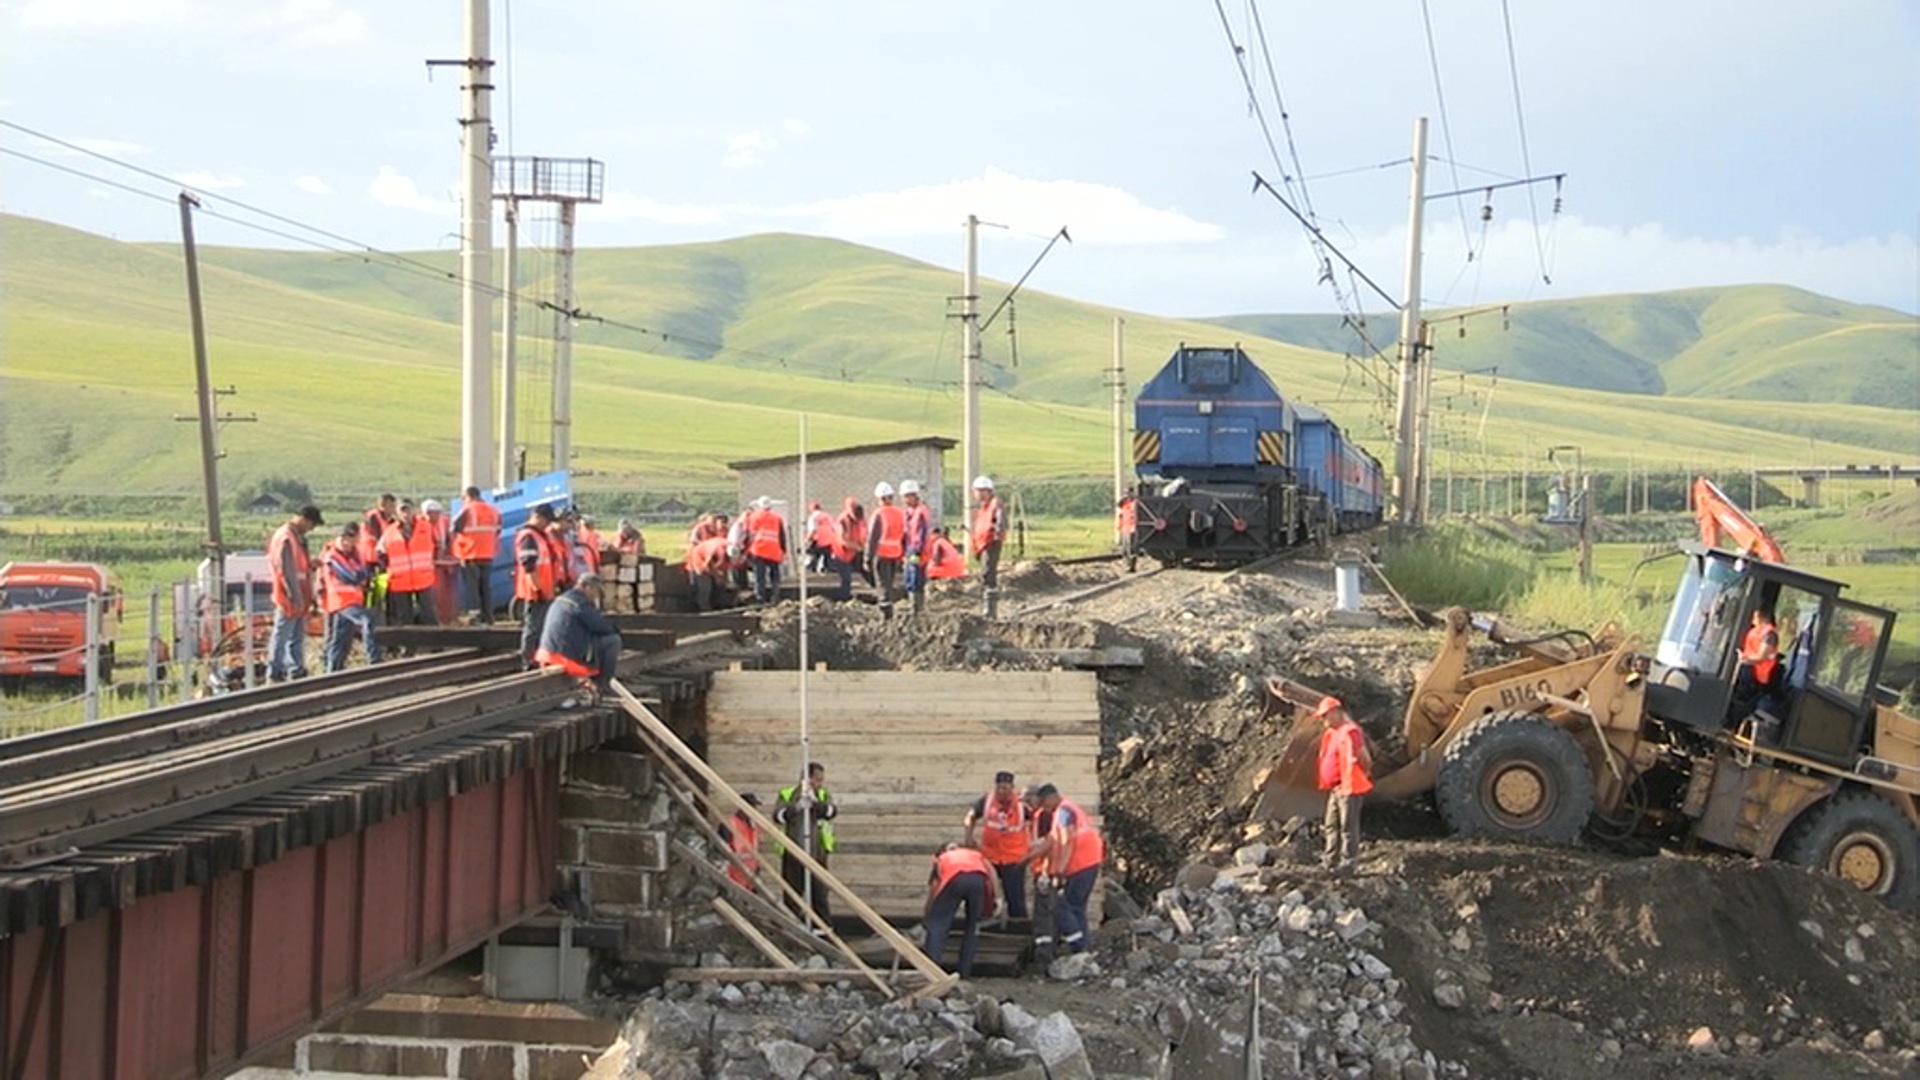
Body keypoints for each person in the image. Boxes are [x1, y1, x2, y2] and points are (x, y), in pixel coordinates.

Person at [1036, 784, 1104, 955]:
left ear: (1051, 798)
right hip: (1089, 862)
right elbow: (1054, 840)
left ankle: (1079, 946)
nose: (1044, 808)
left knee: (1065, 907)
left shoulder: (1064, 812)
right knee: (1077, 907)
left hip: (1081, 864)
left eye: (1043, 803)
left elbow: (1067, 841)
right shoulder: (1067, 809)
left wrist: (1059, 870)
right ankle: (1084, 949)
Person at [535, 572, 623, 698]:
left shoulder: (561, 599)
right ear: (588, 587)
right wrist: (614, 628)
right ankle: (603, 685)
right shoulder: (580, 603)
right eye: (596, 592)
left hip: (546, 653)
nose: (596, 597)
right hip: (565, 657)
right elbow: (601, 627)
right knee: (613, 641)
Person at [774, 762, 837, 926]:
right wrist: (796, 808)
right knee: (792, 897)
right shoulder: (787, 794)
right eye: (817, 780)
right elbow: (778, 817)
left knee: (820, 897)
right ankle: (793, 931)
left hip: (817, 855)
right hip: (793, 855)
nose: (820, 783)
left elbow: (831, 812)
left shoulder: (823, 794)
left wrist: (816, 804)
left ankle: (824, 934)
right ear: (806, 779)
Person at [1315, 696, 1373, 872]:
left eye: (1325, 716)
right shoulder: (1331, 734)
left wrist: (1361, 774)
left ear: (1335, 712)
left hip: (1349, 787)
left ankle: (1349, 863)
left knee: (1348, 826)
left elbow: (1364, 758)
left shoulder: (1351, 731)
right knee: (1331, 825)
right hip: (1335, 788)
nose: (1323, 720)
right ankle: (1330, 859)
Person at [267, 504, 324, 681]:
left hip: (299, 594)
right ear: (304, 519)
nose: (311, 529)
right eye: (311, 525)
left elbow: (297, 566)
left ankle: (296, 668)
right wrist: (295, 595)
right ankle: (276, 671)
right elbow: (286, 569)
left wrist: (309, 565)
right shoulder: (286, 537)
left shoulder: (295, 537)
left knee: (295, 636)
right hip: (289, 595)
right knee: (283, 635)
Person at [962, 770, 1030, 920]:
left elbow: (1038, 821)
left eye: (1005, 788)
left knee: (1015, 898)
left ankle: (1019, 929)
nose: (1001, 792)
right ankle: (980, 926)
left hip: (1014, 859)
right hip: (990, 857)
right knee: (985, 895)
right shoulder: (987, 801)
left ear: (1012, 787)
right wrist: (968, 838)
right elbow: (970, 816)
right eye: (999, 787)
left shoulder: (1021, 805)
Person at [923, 843, 997, 978]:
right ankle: (964, 972)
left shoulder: (941, 858)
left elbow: (935, 887)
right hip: (978, 879)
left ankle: (932, 971)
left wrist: (929, 912)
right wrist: (994, 898)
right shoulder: (975, 854)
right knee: (973, 927)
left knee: (938, 926)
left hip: (954, 878)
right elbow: (991, 873)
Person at [319, 522, 380, 672]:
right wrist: (361, 575)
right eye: (344, 539)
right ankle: (374, 659)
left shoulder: (355, 555)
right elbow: (352, 576)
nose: (347, 543)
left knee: (341, 641)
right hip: (341, 602)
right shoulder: (332, 556)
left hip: (353, 601)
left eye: (351, 539)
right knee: (368, 620)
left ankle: (333, 671)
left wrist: (362, 575)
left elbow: (364, 574)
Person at [514, 504, 564, 666]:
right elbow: (529, 567)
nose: (548, 524)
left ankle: (538, 658)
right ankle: (528, 661)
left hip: (544, 589)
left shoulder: (539, 536)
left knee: (541, 627)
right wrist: (538, 589)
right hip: (535, 591)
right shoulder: (529, 536)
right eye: (547, 520)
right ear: (538, 517)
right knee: (533, 628)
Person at [378, 500, 438, 628]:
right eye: (402, 511)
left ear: (414, 511)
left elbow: (438, 545)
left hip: (423, 577)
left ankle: (435, 644)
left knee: (428, 613)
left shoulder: (426, 527)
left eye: (408, 510)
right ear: (397, 513)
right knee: (404, 616)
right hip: (400, 580)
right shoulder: (389, 532)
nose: (406, 514)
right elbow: (380, 552)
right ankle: (409, 646)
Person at [451, 486, 502, 624]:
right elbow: (498, 530)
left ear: (469, 496)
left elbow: (453, 527)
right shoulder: (494, 511)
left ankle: (474, 616)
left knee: (472, 588)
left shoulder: (467, 509)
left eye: (464, 498)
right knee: (485, 587)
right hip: (488, 554)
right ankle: (488, 617)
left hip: (470, 554)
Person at [1023, 786, 1060, 963]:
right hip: (1043, 870)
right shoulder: (1038, 817)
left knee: (1043, 913)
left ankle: (1045, 954)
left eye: (1029, 799)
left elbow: (1049, 845)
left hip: (1045, 871)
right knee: (1046, 911)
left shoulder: (1043, 816)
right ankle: (1047, 950)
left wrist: (1045, 871)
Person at [867, 482, 906, 619]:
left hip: (882, 553)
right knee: (889, 583)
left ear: (880, 499)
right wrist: (903, 555)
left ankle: (886, 615)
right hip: (895, 553)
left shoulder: (879, 514)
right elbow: (904, 535)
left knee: (882, 584)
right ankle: (890, 610)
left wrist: (867, 558)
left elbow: (872, 538)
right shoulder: (900, 513)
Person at [970, 476, 1006, 614]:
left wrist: (997, 534)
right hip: (984, 544)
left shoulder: (995, 503)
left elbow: (1000, 521)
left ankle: (990, 609)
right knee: (986, 573)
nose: (976, 495)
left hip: (991, 542)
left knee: (988, 574)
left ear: (986, 491)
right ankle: (987, 606)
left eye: (978, 491)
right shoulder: (984, 507)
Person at [744, 497, 788, 604]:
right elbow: (782, 536)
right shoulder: (777, 518)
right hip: (774, 551)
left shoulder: (753, 516)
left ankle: (760, 599)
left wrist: (746, 550)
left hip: (758, 549)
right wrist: (783, 550)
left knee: (759, 577)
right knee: (775, 577)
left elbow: (749, 534)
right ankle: (775, 598)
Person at [899, 480, 933, 615]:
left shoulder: (920, 512)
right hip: (910, 549)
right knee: (908, 576)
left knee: (915, 577)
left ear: (914, 495)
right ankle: (913, 605)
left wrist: (916, 553)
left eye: (908, 496)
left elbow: (921, 534)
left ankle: (917, 608)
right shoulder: (909, 512)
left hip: (917, 551)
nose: (906, 500)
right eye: (904, 497)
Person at [717, 793, 764, 890]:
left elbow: (755, 852)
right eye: (751, 806)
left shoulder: (753, 826)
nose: (754, 810)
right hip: (733, 878)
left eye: (754, 807)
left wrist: (757, 872)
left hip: (749, 878)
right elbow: (720, 850)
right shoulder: (729, 824)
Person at [1737, 607, 1780, 700]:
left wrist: (1744, 659)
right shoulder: (1754, 631)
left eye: (1755, 617)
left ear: (1761, 618)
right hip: (1746, 669)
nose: (1752, 621)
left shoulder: (1770, 635)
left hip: (1756, 675)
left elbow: (1761, 657)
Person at [685, 534, 733, 612]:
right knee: (705, 585)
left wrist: (724, 579)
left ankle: (718, 604)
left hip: (711, 556)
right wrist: (717, 577)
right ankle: (704, 608)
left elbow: (726, 566)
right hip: (699, 556)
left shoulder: (733, 547)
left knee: (719, 583)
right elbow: (708, 565)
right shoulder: (715, 551)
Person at [359, 493, 398, 569]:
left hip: (381, 557)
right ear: (382, 506)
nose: (393, 508)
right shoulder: (373, 517)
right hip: (369, 558)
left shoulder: (391, 521)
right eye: (391, 506)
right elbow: (378, 537)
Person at [804, 501, 837, 573]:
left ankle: (812, 571)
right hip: (829, 540)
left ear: (812, 509)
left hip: (819, 540)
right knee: (828, 559)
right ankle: (830, 574)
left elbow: (812, 530)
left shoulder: (813, 517)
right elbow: (834, 528)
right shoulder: (827, 516)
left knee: (813, 556)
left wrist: (806, 540)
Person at [1116, 494, 1139, 574]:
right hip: (1125, 528)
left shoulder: (1133, 504)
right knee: (1125, 549)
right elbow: (1121, 514)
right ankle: (1128, 564)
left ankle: (1131, 566)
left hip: (1131, 528)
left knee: (1131, 548)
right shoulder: (1124, 506)